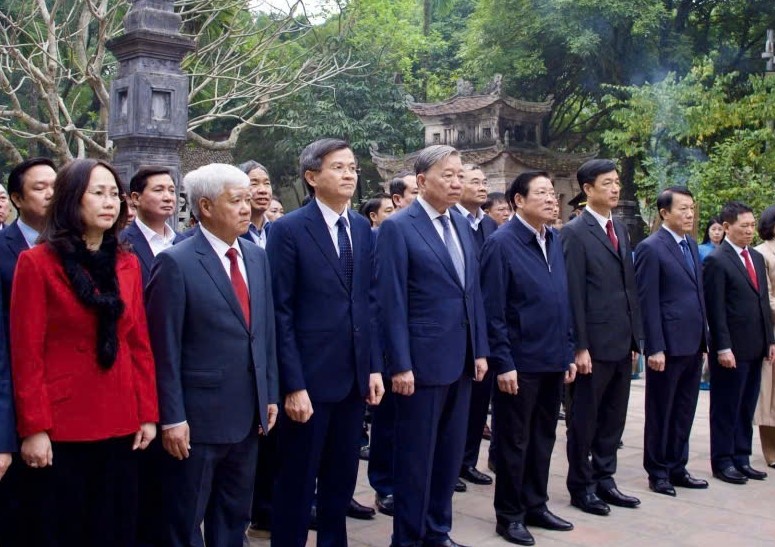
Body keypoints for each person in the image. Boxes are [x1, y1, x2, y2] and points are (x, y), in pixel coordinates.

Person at [10, 158, 158, 546]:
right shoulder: (36, 263)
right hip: (62, 424)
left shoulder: (127, 263)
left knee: (115, 527)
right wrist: (34, 428)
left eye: (114, 194)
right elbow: (26, 352)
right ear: (72, 199)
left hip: (121, 417)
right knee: (63, 529)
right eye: (97, 193)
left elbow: (138, 342)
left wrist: (147, 413)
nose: (109, 202)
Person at [145, 163, 279, 547]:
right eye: (234, 200)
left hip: (247, 414)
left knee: (233, 516)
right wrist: (172, 417)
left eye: (246, 199)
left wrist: (268, 392)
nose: (245, 206)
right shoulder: (176, 261)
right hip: (197, 420)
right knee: (186, 519)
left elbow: (263, 332)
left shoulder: (256, 257)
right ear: (205, 206)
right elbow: (164, 348)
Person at [268, 139, 384, 547]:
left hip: (353, 379)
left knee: (339, 482)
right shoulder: (287, 230)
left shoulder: (362, 230)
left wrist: (373, 367)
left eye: (352, 167)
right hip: (309, 383)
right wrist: (293, 385)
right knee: (298, 484)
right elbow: (280, 313)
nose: (350, 174)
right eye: (338, 167)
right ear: (312, 176)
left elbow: (369, 303)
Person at [375, 144, 489, 547]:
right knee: (415, 458)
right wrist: (399, 364)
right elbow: (390, 301)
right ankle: (407, 537)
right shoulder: (398, 227)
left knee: (447, 457)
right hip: (420, 364)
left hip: (459, 359)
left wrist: (480, 350)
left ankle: (438, 531)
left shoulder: (460, 224)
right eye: (449, 175)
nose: (457, 182)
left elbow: (471, 293)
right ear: (422, 181)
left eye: (461, 175)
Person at [481, 171, 576, 546]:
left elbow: (561, 300)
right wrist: (504, 363)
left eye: (553, 193)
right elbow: (493, 311)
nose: (553, 199)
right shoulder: (502, 243)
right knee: (513, 441)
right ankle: (510, 514)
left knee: (543, 437)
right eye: (542, 193)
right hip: (519, 364)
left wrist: (567, 351)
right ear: (518, 200)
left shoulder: (552, 238)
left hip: (552, 358)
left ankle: (536, 503)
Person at [561, 159, 644, 516]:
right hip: (592, 345)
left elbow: (629, 288)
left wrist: (636, 340)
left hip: (621, 341)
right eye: (607, 183)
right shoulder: (574, 233)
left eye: (617, 183)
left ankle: (605, 477)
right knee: (584, 419)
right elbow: (573, 294)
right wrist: (579, 346)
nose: (615, 189)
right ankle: (581, 485)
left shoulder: (621, 229)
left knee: (614, 416)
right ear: (588, 189)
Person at [634, 187, 709, 497]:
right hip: (667, 344)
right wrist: (655, 346)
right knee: (661, 409)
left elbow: (697, 294)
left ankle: (678, 465)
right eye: (683, 209)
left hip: (692, 341)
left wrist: (705, 339)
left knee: (684, 408)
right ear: (665, 213)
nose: (689, 214)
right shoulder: (651, 247)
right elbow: (647, 300)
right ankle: (658, 471)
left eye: (692, 208)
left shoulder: (690, 244)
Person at [704, 201, 775, 485]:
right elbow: (716, 309)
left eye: (750, 225)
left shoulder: (755, 258)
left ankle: (742, 457)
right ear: (726, 227)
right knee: (726, 406)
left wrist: (770, 340)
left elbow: (761, 303)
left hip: (756, 345)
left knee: (746, 406)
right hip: (731, 349)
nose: (749, 231)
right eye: (743, 226)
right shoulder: (716, 260)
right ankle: (723, 461)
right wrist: (722, 347)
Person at [454, 164, 498, 490]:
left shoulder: (492, 226)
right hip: (454, 326)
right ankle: (450, 465)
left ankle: (467, 461)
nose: (482, 187)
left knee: (479, 400)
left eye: (485, 182)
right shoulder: (451, 223)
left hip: (485, 327)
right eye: (475, 181)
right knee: (454, 405)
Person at [121, 166, 180, 287]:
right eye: (158, 190)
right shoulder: (120, 243)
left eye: (172, 190)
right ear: (136, 198)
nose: (168, 198)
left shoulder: (185, 242)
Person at [755, 205, 775, 469]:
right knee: (770, 397)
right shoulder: (762, 253)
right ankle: (770, 450)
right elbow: (764, 296)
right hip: (772, 328)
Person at [239, 160, 273, 248]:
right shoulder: (233, 234)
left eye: (267, 183)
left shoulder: (278, 230)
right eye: (254, 183)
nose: (263, 190)